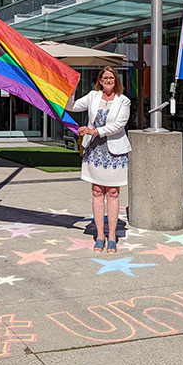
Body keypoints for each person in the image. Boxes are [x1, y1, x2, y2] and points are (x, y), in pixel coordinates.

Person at [66, 66, 131, 253]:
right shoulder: (93, 96)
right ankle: (99, 236)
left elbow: (119, 125)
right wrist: (71, 89)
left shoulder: (123, 101)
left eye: (112, 77)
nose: (109, 80)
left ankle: (112, 236)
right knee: (96, 191)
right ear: (100, 81)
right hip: (94, 150)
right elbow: (72, 106)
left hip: (114, 152)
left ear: (116, 81)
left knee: (112, 192)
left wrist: (94, 131)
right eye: (105, 78)